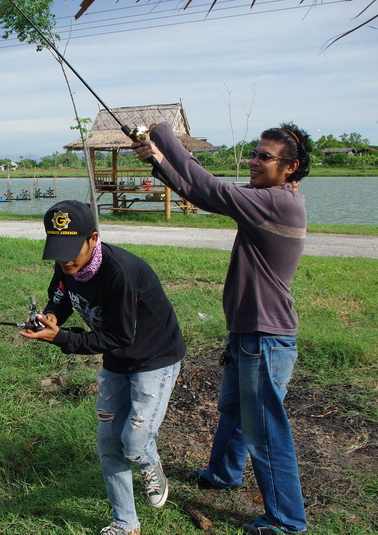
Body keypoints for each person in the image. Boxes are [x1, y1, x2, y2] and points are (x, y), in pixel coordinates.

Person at [133, 122, 312, 535]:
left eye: (264, 156)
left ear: (291, 168)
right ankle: (222, 474)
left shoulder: (278, 204)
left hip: (266, 338)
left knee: (266, 430)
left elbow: (212, 190)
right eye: (254, 152)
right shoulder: (265, 198)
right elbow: (201, 193)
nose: (253, 160)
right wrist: (160, 163)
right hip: (248, 334)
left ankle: (287, 521)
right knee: (233, 411)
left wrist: (162, 136)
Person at [20, 199, 186, 535]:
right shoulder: (66, 265)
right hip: (117, 361)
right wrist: (51, 316)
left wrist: (62, 339)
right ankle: (126, 523)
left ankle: (149, 461)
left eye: (71, 248)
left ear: (93, 238)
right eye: (57, 249)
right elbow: (61, 296)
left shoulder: (119, 272)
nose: (64, 258)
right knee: (110, 444)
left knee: (135, 441)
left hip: (154, 359)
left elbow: (120, 336)